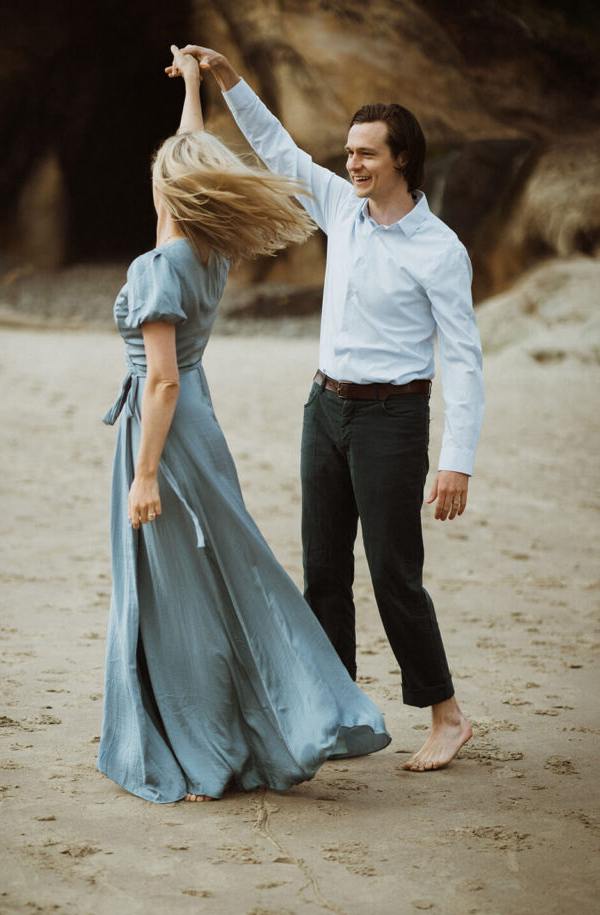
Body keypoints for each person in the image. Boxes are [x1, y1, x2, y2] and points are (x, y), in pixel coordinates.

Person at [178, 44, 485, 771]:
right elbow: (278, 150)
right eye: (347, 152)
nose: (351, 164)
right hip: (324, 410)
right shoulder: (338, 210)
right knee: (322, 571)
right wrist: (227, 80)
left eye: (365, 154)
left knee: (392, 575)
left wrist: (455, 462)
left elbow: (463, 360)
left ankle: (445, 714)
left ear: (401, 159)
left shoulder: (439, 250)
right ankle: (335, 704)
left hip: (393, 421)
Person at [96, 46, 390, 804]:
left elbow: (158, 381)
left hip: (168, 431)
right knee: (226, 573)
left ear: (169, 190)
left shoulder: (155, 269)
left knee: (182, 591)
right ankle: (264, 714)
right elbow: (187, 163)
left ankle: (208, 740)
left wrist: (143, 474)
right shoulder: (209, 248)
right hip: (202, 420)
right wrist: (194, 87)